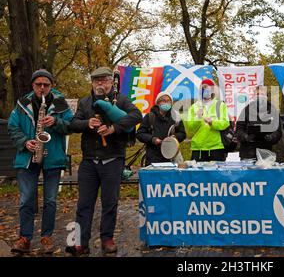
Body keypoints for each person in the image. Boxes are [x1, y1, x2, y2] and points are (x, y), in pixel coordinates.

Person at [66, 67, 142, 256]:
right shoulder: (85, 102)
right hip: (89, 161)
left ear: (111, 82)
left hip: (113, 159)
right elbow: (73, 124)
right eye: (97, 81)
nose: (101, 84)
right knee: (84, 204)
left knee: (110, 202)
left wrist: (114, 128)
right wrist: (87, 124)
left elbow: (136, 116)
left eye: (105, 80)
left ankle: (107, 239)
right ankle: (80, 243)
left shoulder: (121, 100)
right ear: (92, 83)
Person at [8, 69, 73, 254]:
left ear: (51, 86)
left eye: (46, 84)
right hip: (28, 156)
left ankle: (46, 237)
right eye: (39, 84)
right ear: (33, 85)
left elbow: (71, 126)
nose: (42, 88)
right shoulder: (23, 103)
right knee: (26, 199)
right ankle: (25, 238)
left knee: (50, 201)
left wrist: (57, 122)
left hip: (52, 157)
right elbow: (13, 127)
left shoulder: (60, 103)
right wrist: (24, 142)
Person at [184, 78, 230, 162]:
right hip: (198, 148)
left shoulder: (220, 105)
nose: (206, 90)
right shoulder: (194, 107)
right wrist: (197, 118)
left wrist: (212, 122)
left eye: (209, 88)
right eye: (204, 88)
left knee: (216, 175)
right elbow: (190, 129)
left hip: (216, 147)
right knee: (197, 175)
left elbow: (225, 123)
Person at [136, 92, 186, 165]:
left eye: (168, 100)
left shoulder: (176, 117)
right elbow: (140, 134)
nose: (166, 102)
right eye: (163, 100)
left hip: (171, 156)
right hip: (153, 157)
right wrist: (152, 139)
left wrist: (175, 137)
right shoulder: (150, 116)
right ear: (158, 103)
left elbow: (183, 134)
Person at [236, 85, 282, 159]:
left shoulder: (273, 110)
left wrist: (271, 137)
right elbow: (239, 129)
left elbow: (278, 131)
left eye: (262, 94)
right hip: (248, 152)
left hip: (267, 152)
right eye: (257, 94)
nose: (260, 96)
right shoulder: (246, 110)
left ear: (267, 96)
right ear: (254, 96)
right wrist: (246, 137)